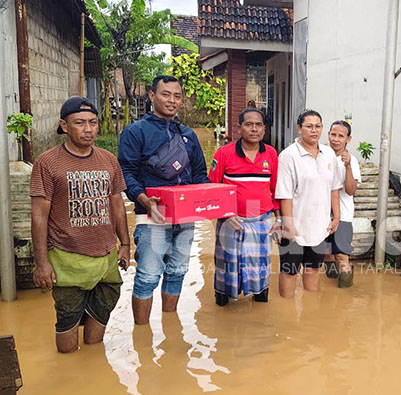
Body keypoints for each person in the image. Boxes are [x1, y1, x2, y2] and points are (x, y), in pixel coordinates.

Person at [30, 97, 129, 353]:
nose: (88, 129)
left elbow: (117, 204)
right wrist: (41, 263)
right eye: (80, 123)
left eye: (93, 123)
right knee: (67, 319)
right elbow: (39, 216)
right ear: (64, 125)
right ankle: (67, 369)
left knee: (104, 307)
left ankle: (91, 365)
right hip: (66, 258)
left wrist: (126, 244)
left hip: (106, 256)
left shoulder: (108, 160)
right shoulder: (48, 162)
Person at [118, 75, 210, 325]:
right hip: (152, 216)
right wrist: (142, 198)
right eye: (165, 94)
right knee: (147, 275)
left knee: (178, 271)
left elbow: (200, 175)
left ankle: (170, 326)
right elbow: (125, 172)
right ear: (151, 96)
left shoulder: (188, 135)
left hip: (186, 218)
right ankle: (142, 334)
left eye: (177, 96)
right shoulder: (135, 132)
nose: (172, 100)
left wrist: (212, 199)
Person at [209, 108, 281, 306]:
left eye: (258, 125)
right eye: (249, 124)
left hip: (261, 221)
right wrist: (226, 215)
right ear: (239, 127)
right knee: (227, 266)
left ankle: (259, 301)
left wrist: (279, 220)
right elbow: (212, 190)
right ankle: (223, 303)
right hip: (230, 221)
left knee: (259, 266)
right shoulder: (224, 154)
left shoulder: (271, 154)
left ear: (264, 129)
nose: (254, 129)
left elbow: (275, 190)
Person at [275, 110, 344, 298]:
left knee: (313, 269)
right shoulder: (289, 156)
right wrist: (288, 224)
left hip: (320, 226)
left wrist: (336, 217)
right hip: (295, 225)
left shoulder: (329, 154)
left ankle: (310, 310)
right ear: (299, 128)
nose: (314, 131)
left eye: (318, 126)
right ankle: (287, 315)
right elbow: (284, 194)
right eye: (309, 126)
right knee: (290, 271)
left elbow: (334, 188)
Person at [322, 121, 360, 288]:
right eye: (333, 135)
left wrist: (348, 166)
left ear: (348, 139)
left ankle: (345, 293)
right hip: (322, 214)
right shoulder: (322, 155)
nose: (336, 139)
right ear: (328, 134)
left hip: (342, 215)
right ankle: (331, 294)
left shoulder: (352, 161)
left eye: (341, 136)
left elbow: (351, 191)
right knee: (325, 253)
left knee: (341, 256)